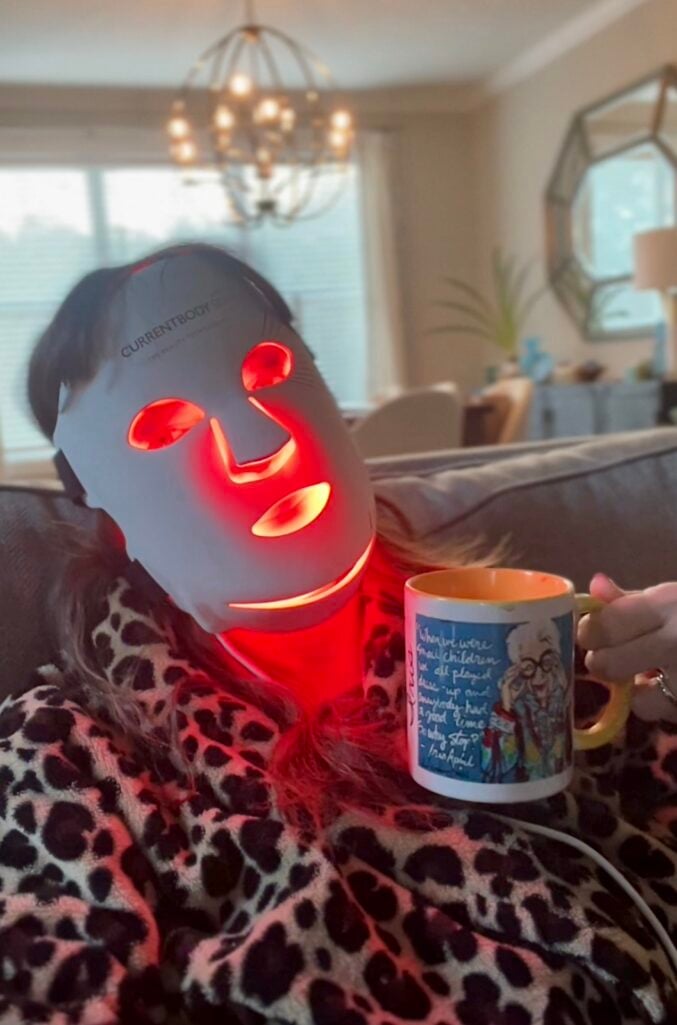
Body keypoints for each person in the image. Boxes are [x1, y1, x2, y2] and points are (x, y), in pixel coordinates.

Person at [0, 241, 675, 1023]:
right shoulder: (67, 759)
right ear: (101, 503)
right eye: (166, 424)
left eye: (265, 375)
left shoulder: (506, 627)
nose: (260, 445)